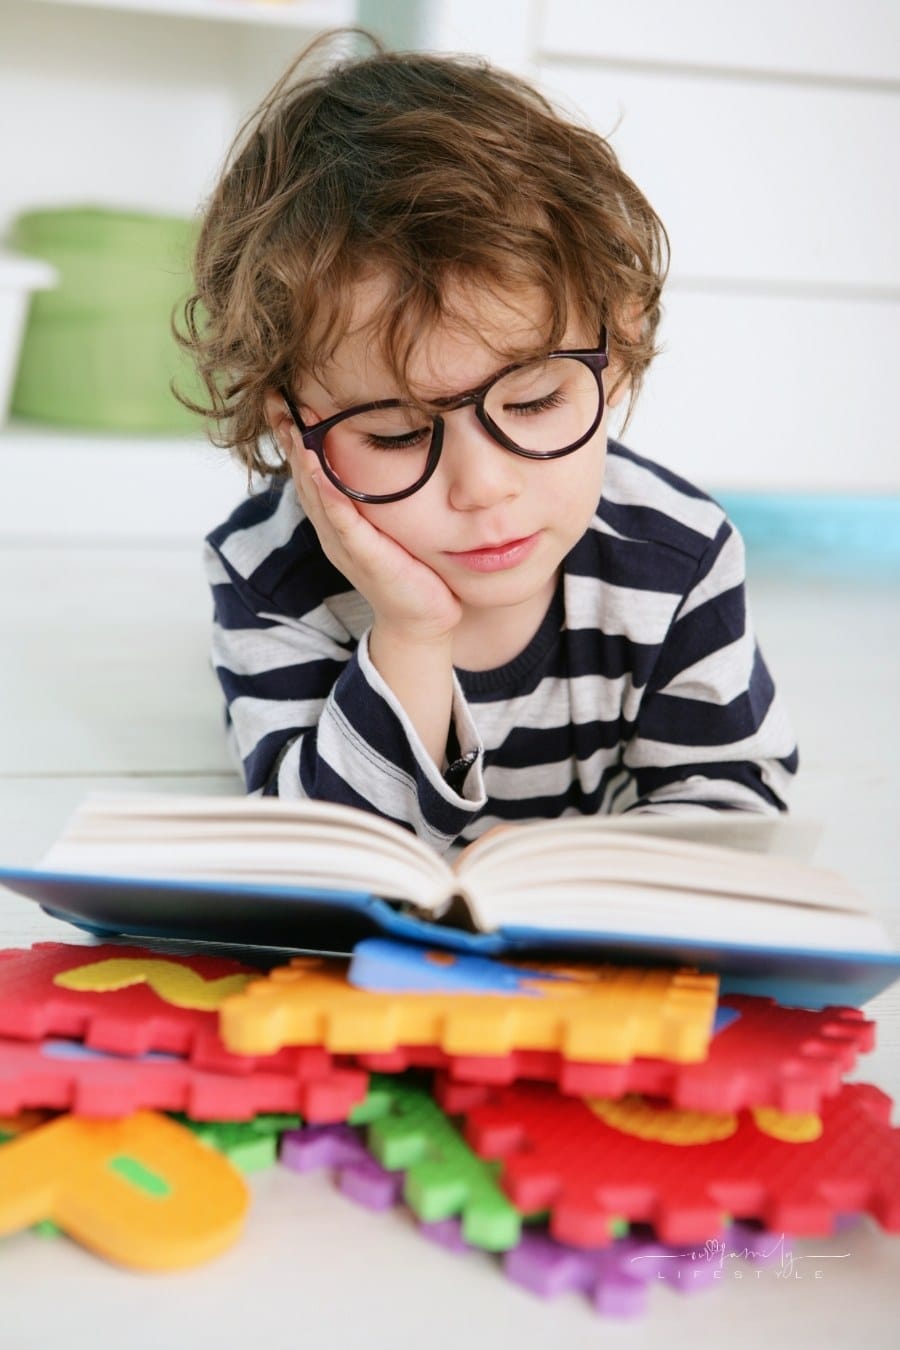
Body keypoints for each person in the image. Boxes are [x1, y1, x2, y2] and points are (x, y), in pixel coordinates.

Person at [179, 32, 797, 853]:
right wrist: (411, 632)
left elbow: (732, 805)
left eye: (534, 401)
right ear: (295, 431)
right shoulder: (267, 573)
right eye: (397, 434)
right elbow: (319, 856)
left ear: (615, 357)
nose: (483, 486)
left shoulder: (677, 558)